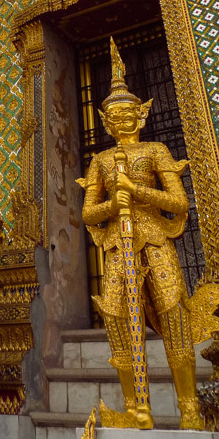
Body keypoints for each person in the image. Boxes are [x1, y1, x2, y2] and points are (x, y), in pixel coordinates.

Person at [78, 38, 203, 430]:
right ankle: (135, 408)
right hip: (119, 245)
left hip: (153, 238)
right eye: (115, 116)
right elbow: (88, 213)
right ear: (107, 122)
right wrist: (115, 206)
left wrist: (137, 192)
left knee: (173, 315)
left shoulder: (156, 151)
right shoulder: (100, 160)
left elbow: (179, 202)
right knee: (116, 318)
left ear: (142, 114)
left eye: (129, 112)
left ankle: (189, 408)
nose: (123, 120)